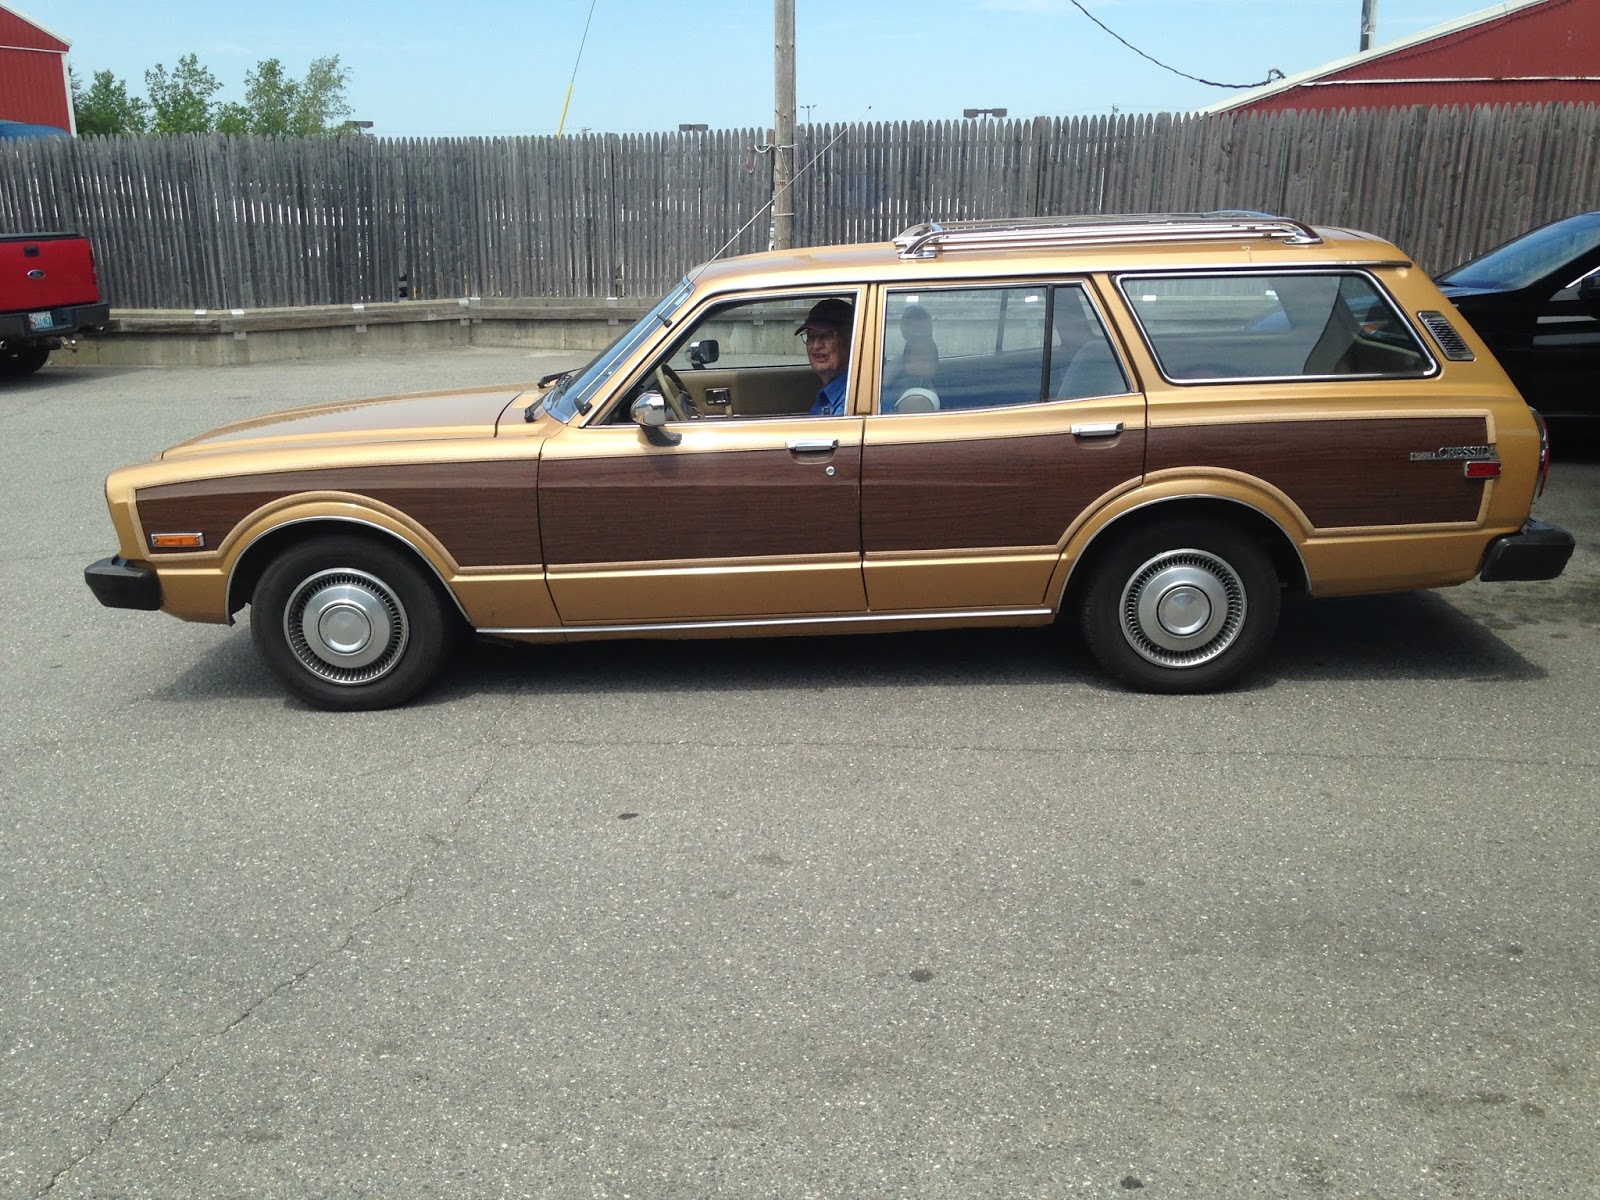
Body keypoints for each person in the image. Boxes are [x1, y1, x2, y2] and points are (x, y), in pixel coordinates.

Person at [797, 297, 854, 415]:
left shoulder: (848, 403)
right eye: (811, 337)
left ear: (850, 340)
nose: (816, 346)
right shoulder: (831, 394)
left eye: (826, 336)